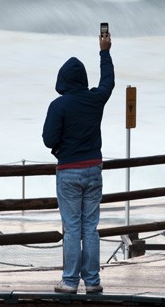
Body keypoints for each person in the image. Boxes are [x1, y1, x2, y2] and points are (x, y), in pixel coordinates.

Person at [42, 32, 114, 294]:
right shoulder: (95, 100)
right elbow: (108, 82)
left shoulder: (58, 105)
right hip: (94, 169)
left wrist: (61, 148)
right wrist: (104, 51)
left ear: (62, 80)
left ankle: (70, 282)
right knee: (90, 228)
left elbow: (49, 140)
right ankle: (93, 282)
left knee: (72, 228)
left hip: (68, 172)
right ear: (83, 79)